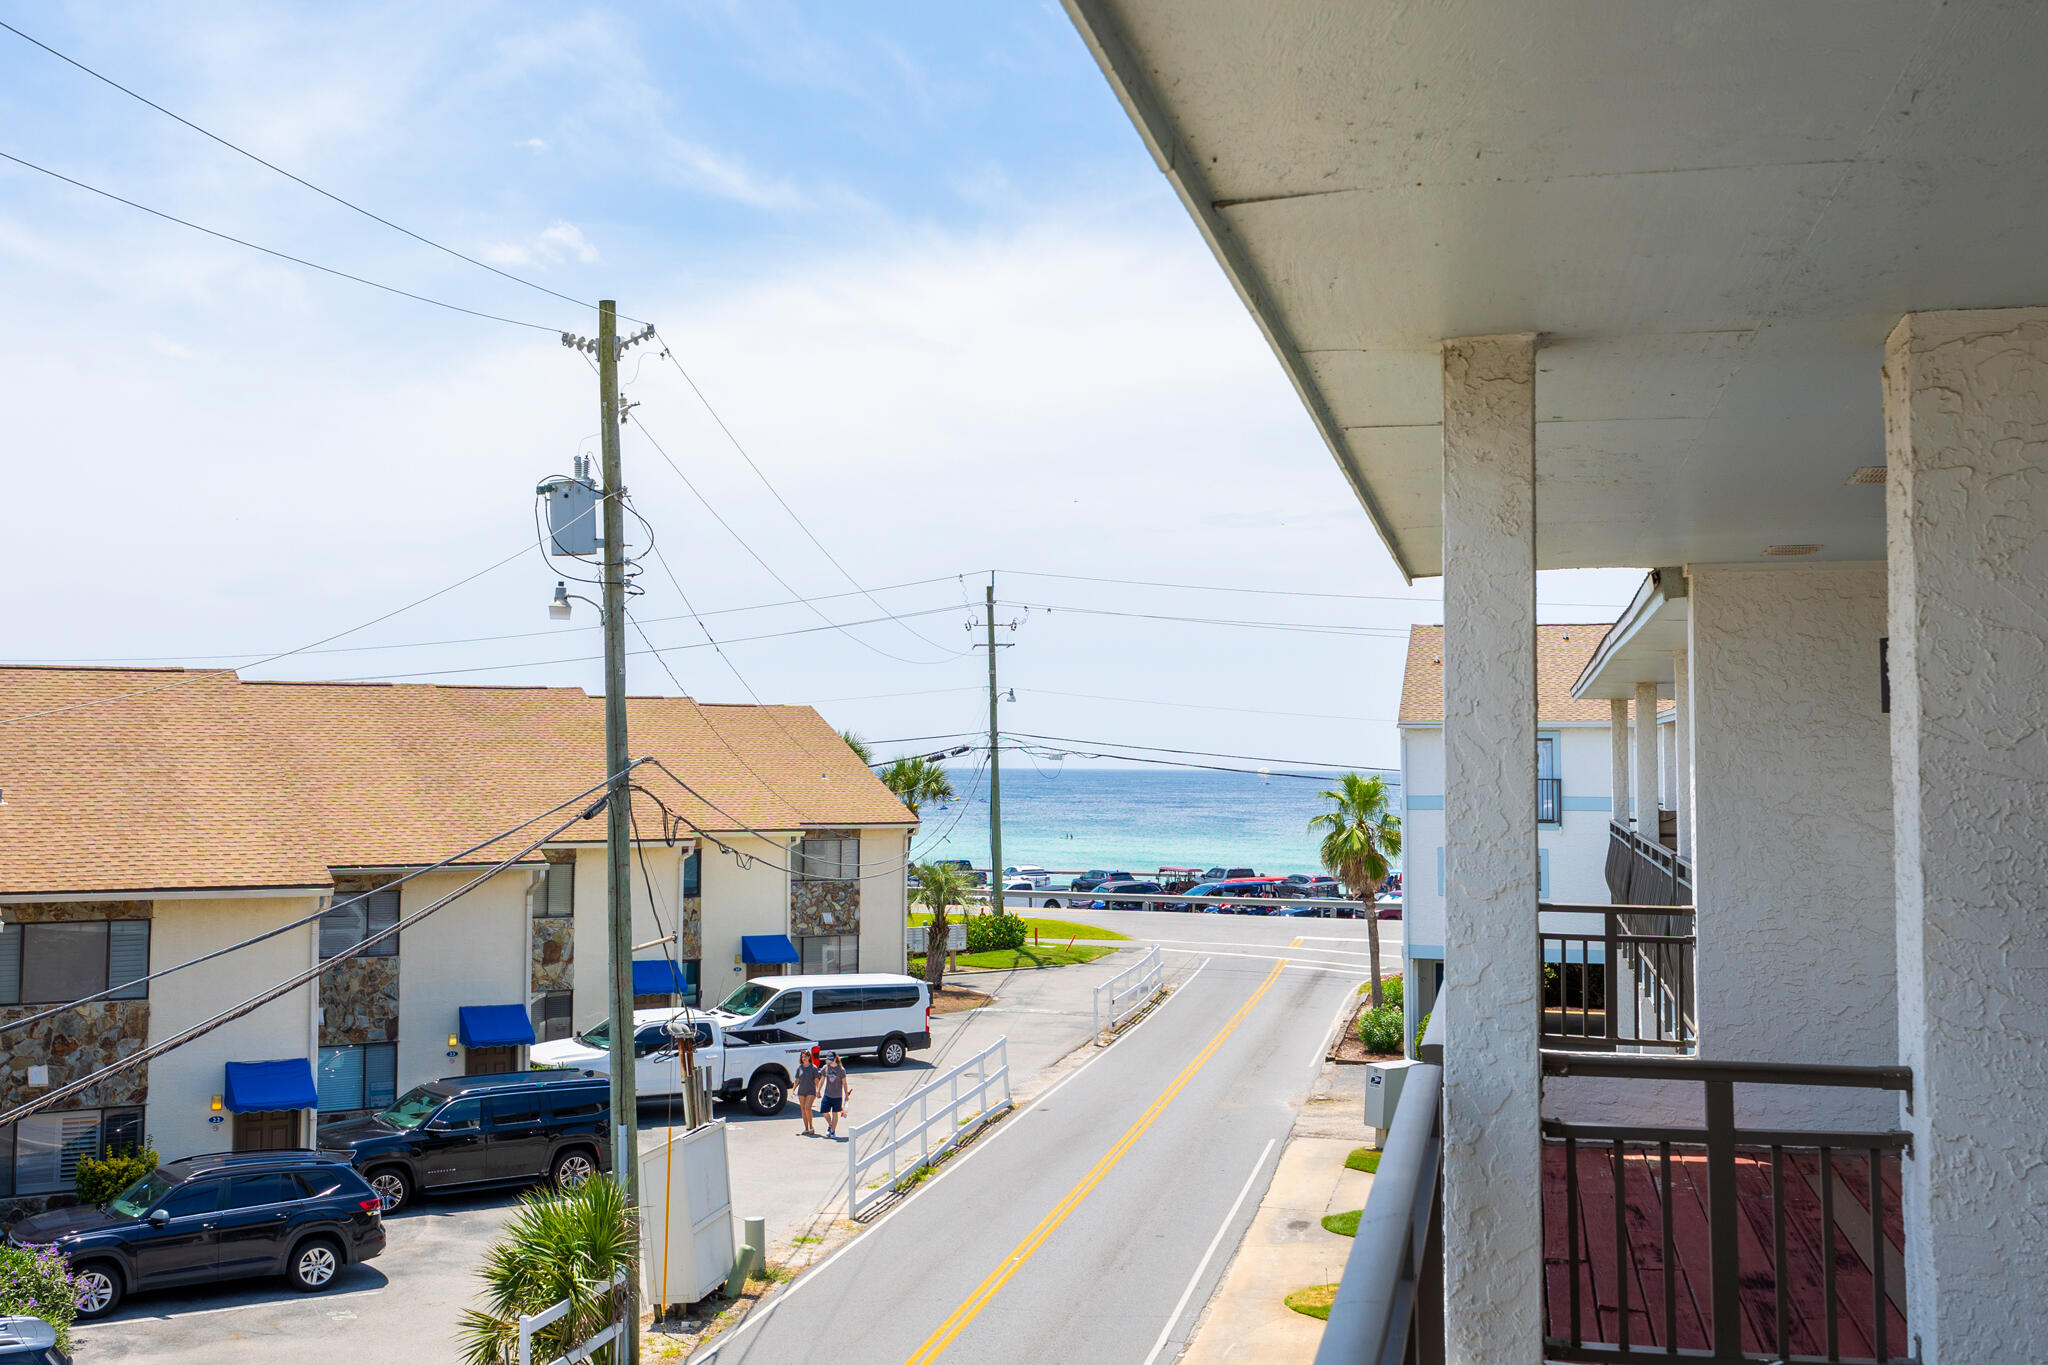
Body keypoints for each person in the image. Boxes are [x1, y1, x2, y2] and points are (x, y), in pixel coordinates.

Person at [820, 1053, 851, 1139]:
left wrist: (846, 1095)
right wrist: (818, 1090)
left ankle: (833, 1131)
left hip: (837, 1096)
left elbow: (844, 1083)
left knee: (835, 1113)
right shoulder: (825, 1068)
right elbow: (822, 1080)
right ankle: (830, 1125)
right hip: (827, 1094)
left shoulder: (841, 1070)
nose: (828, 1062)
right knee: (824, 1112)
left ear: (834, 1059)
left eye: (830, 1060)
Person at [795, 1047, 822, 1136]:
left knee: (807, 1107)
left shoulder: (813, 1068)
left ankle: (811, 1127)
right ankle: (806, 1128)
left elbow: (817, 1080)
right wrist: (793, 1089)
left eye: (806, 1056)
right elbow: (797, 1080)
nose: (804, 1058)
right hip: (801, 1091)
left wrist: (818, 1091)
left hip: (811, 1091)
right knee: (803, 1109)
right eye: (803, 1057)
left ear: (809, 1057)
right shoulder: (800, 1068)